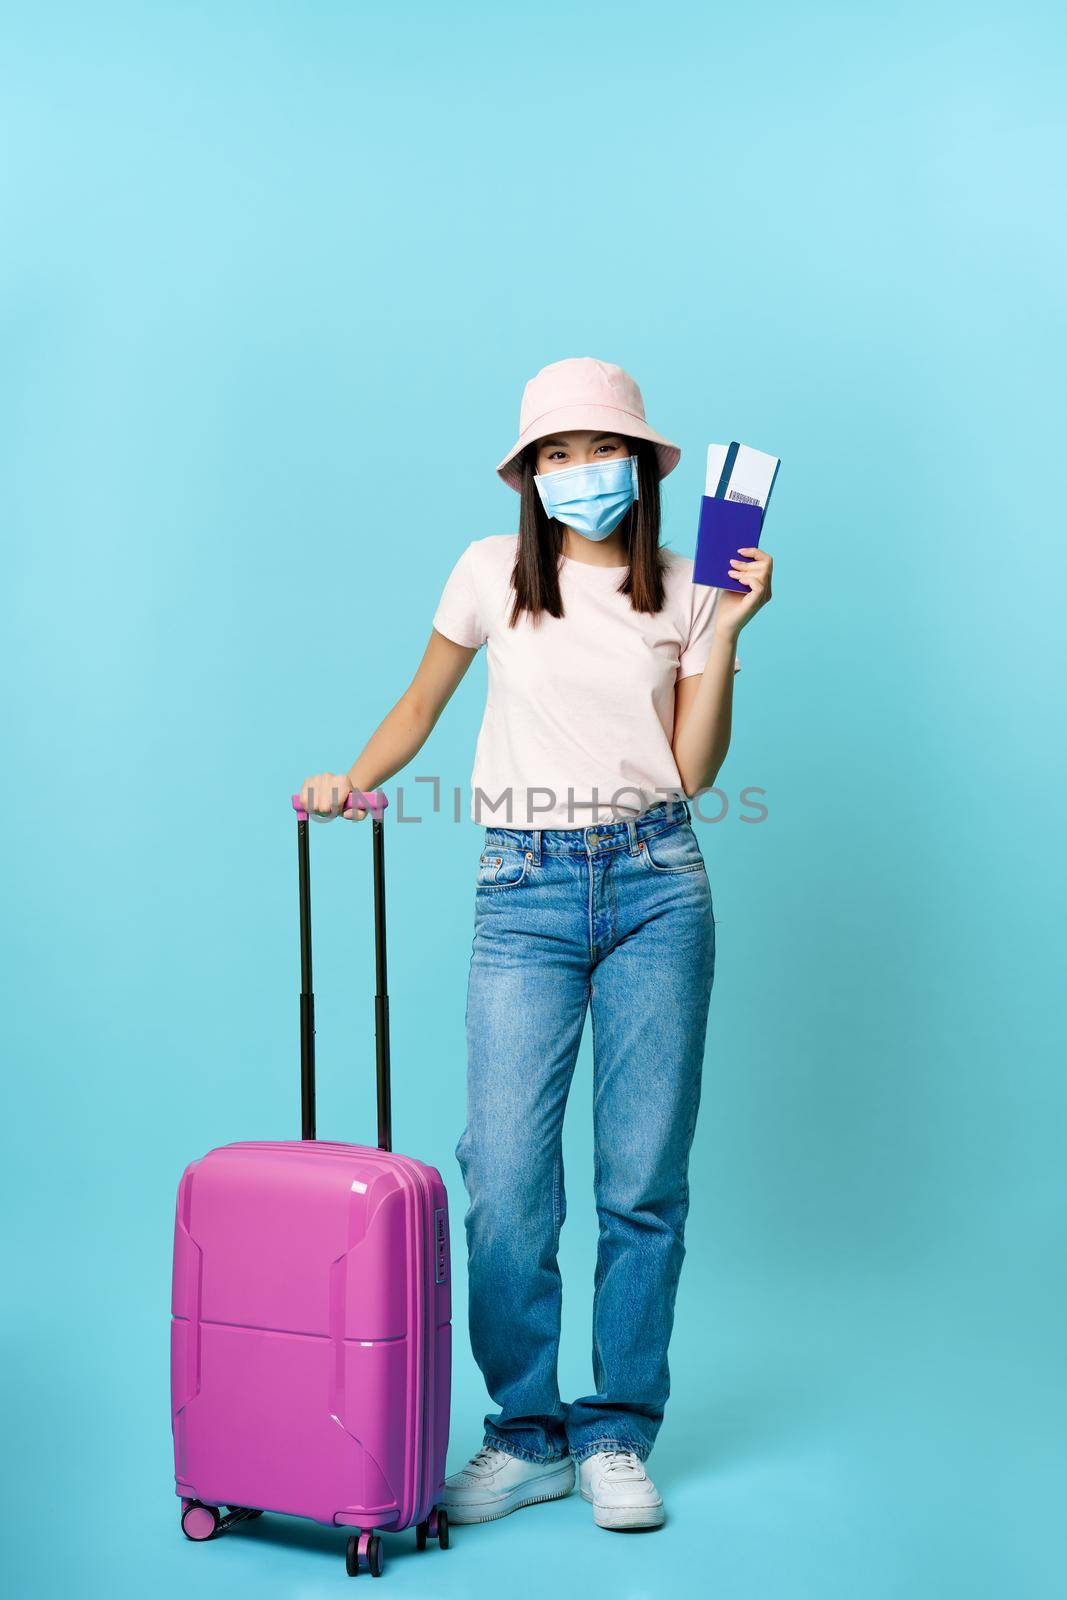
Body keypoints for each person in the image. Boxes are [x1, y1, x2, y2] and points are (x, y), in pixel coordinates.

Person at [299, 356, 773, 1532]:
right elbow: (421, 703)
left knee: (640, 1182)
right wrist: (351, 779)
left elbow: (693, 770)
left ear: (640, 461)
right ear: (526, 475)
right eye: (551, 455)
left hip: (658, 880)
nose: (575, 472)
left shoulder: (688, 582)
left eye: (593, 450)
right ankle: (525, 1432)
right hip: (522, 889)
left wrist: (730, 628)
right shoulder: (484, 573)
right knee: (505, 1180)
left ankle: (616, 1429)